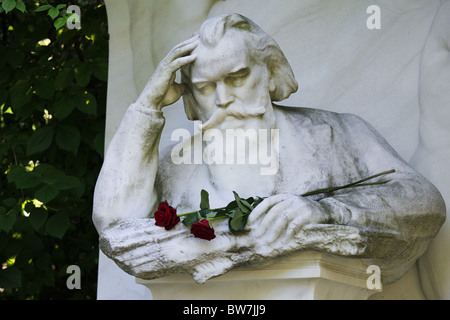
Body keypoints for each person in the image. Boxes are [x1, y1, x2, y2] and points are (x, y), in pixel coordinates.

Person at [93, 14, 445, 283]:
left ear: (270, 70)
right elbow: (114, 224)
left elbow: (423, 201)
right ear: (188, 96)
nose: (224, 98)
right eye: (204, 87)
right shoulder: (173, 164)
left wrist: (326, 211)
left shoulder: (338, 134)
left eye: (237, 77)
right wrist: (146, 107)